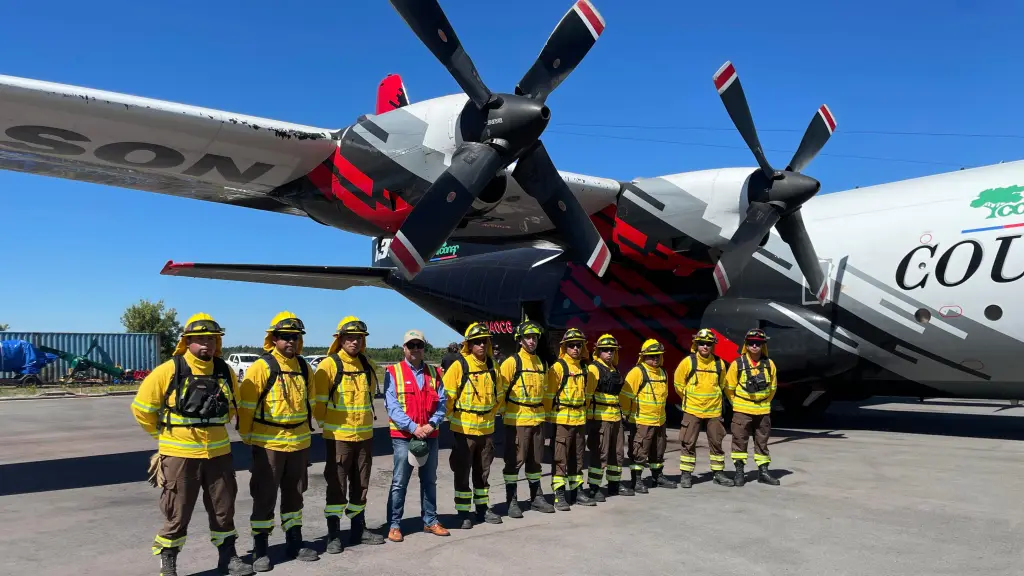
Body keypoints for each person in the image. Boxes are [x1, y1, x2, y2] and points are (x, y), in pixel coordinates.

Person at [131, 313, 254, 576]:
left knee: (224, 509)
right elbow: (142, 409)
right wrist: (164, 437)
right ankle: (168, 563)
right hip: (179, 455)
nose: (206, 344)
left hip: (219, 453)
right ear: (187, 342)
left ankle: (228, 557)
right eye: (199, 339)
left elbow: (235, 407)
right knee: (178, 511)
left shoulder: (224, 371)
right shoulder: (168, 370)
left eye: (211, 339)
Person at [238, 312, 319, 572]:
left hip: (298, 443)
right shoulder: (262, 366)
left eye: (295, 337)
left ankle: (294, 540)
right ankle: (260, 547)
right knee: (264, 496)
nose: (291, 342)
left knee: (295, 495)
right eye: (285, 337)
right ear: (274, 339)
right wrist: (249, 438)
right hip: (268, 444)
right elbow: (246, 407)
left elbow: (312, 403)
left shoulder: (305, 367)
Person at [313, 316, 386, 554]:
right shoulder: (328, 366)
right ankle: (333, 534)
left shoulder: (367, 365)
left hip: (364, 436)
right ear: (340, 340)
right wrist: (329, 427)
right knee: (336, 485)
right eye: (350, 338)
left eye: (359, 338)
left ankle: (358, 528)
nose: (354, 342)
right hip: (338, 438)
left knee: (361, 484)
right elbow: (318, 404)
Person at [383, 329, 451, 541]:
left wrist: (431, 425)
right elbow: (391, 406)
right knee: (399, 482)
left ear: (424, 348)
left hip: (429, 435)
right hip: (404, 436)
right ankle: (394, 524)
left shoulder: (435, 372)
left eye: (418, 345)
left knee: (429, 480)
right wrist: (414, 428)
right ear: (404, 348)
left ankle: (430, 520)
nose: (415, 349)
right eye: (410, 345)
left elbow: (442, 403)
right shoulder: (393, 373)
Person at [442, 322, 507, 528]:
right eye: (476, 342)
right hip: (464, 431)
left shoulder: (492, 366)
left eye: (484, 341)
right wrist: (454, 421)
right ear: (468, 345)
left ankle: (482, 508)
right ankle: (463, 512)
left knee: (483, 472)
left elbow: (499, 395)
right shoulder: (459, 366)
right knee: (462, 472)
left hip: (487, 430)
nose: (480, 345)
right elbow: (447, 399)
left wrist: (489, 415)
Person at [498, 320, 556, 518]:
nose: (532, 341)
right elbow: (500, 392)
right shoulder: (511, 363)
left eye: (535, 337)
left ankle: (536, 497)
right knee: (515, 461)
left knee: (536, 461)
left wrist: (546, 416)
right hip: (518, 422)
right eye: (528, 337)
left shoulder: (541, 363)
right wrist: (506, 414)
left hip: (537, 420)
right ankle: (511, 500)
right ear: (520, 340)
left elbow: (546, 392)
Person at [672, 328, 734, 489]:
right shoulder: (688, 362)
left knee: (717, 442)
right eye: (702, 344)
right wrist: (690, 399)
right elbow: (678, 384)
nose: (705, 347)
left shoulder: (719, 363)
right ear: (696, 344)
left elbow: (722, 385)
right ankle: (686, 475)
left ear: (713, 345)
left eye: (708, 344)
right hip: (692, 410)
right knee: (688, 443)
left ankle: (718, 473)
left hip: (714, 411)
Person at [546, 328, 598, 510]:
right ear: (564, 347)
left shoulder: (585, 369)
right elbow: (549, 396)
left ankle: (577, 491)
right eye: (571, 345)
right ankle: (559, 494)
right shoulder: (558, 368)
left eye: (578, 345)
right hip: (562, 421)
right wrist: (551, 420)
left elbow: (588, 395)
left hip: (579, 420)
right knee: (560, 458)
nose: (575, 348)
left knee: (578, 458)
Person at [621, 338, 678, 493]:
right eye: (652, 356)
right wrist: (626, 415)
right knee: (639, 452)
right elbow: (625, 396)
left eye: (658, 356)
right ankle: (637, 480)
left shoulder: (663, 372)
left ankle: (657, 476)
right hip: (642, 421)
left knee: (658, 451)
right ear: (644, 356)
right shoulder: (637, 372)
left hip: (659, 420)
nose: (655, 359)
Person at [725, 328, 780, 486]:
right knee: (739, 442)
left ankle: (763, 472)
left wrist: (764, 402)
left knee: (762, 442)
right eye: (751, 343)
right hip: (742, 411)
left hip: (762, 411)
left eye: (758, 343)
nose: (755, 346)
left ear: (763, 345)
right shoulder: (738, 364)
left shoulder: (769, 364)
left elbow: (773, 387)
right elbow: (729, 387)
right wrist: (737, 403)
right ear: (746, 345)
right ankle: (739, 473)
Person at [584, 334, 632, 499]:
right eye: (605, 350)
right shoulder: (593, 369)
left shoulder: (614, 369)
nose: (609, 353)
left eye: (612, 350)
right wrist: (589, 418)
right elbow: (588, 395)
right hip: (600, 419)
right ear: (598, 351)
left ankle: (614, 485)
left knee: (617, 454)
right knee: (600, 454)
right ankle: (594, 488)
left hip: (616, 418)